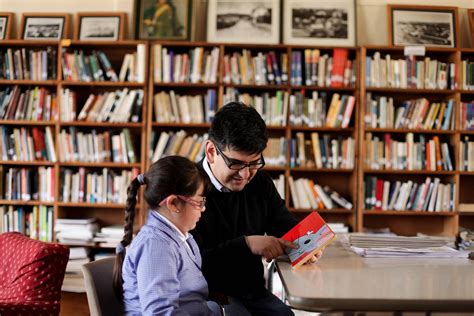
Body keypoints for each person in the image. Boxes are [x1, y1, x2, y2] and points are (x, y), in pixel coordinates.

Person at [191, 102, 322, 316]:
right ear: (211, 151)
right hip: (204, 294)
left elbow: (285, 226)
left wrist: (307, 243)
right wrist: (247, 245)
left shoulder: (259, 182)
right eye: (236, 164)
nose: (245, 174)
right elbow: (191, 264)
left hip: (251, 293)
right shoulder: (186, 189)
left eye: (254, 162)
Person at [113, 155, 221, 315]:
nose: (203, 209)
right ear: (173, 203)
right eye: (199, 202)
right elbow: (159, 313)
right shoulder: (156, 246)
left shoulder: (182, 237)